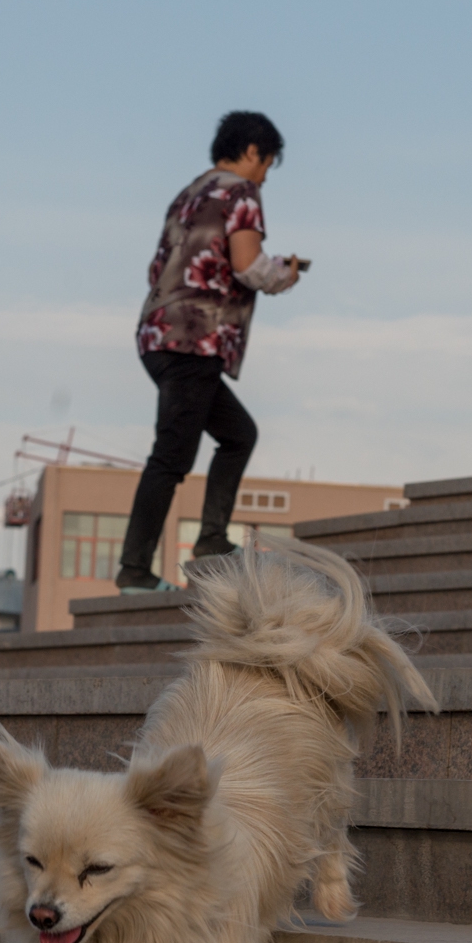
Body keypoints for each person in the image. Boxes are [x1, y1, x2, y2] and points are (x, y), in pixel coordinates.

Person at [115, 110, 307, 592]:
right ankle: (135, 570)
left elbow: (161, 268)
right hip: (194, 339)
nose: (265, 176)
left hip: (158, 335)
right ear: (251, 152)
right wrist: (283, 274)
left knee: (238, 433)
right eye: (266, 164)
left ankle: (212, 539)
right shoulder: (240, 192)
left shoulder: (188, 194)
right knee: (172, 456)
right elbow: (246, 264)